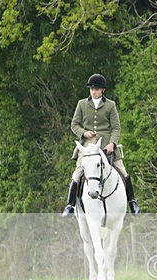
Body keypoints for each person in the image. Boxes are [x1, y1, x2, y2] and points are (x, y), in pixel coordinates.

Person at [63, 73, 140, 217]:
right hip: (87, 145)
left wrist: (112, 143)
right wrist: (84, 133)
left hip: (107, 144)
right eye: (92, 89)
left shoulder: (110, 105)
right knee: (78, 172)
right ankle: (70, 205)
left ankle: (132, 202)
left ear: (102, 90)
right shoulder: (82, 104)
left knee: (123, 171)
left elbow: (116, 127)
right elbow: (74, 125)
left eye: (97, 89)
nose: (93, 91)